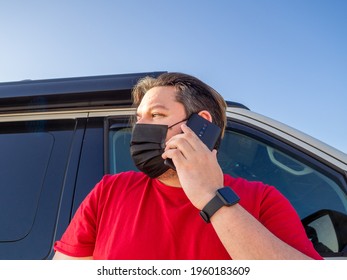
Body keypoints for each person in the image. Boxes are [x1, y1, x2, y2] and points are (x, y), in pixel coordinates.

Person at [53, 72, 322, 260]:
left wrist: (211, 197)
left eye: (157, 115)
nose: (141, 127)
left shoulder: (262, 199)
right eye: (140, 118)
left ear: (200, 125)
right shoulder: (110, 192)